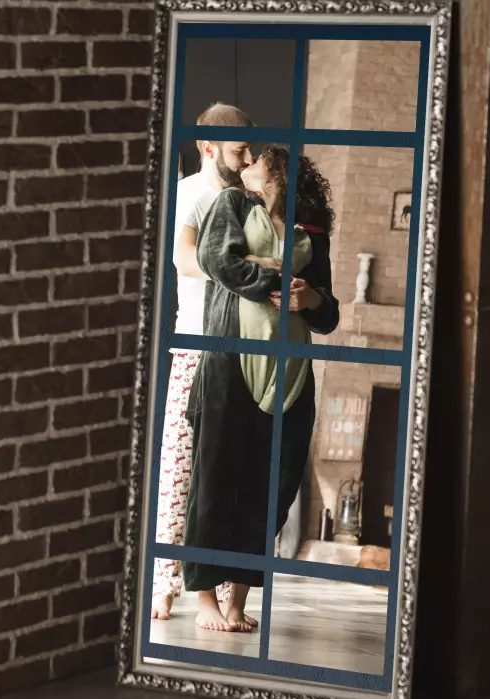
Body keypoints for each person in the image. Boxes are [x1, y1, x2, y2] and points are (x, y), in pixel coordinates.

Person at [183, 145, 339, 632]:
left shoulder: (310, 232)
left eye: (256, 161)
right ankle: (206, 599)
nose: (246, 164)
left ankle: (237, 601)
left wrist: (310, 298)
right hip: (230, 365)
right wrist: (271, 275)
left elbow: (328, 313)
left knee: (270, 491)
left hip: (290, 374)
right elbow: (216, 259)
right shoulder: (232, 203)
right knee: (214, 483)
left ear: (278, 174)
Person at [152, 103, 256, 622]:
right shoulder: (191, 193)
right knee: (180, 467)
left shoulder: (246, 198)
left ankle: (219, 586)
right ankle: (165, 585)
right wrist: (243, 269)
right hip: (196, 344)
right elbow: (183, 259)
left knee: (225, 473)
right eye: (239, 151)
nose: (248, 160)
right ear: (209, 147)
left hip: (241, 348)